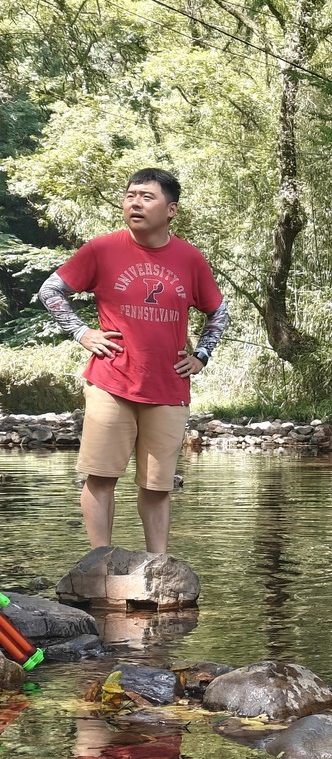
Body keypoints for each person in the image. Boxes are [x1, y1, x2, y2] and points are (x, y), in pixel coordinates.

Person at [38, 168, 228, 554]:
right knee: (101, 476)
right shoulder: (101, 249)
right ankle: (100, 564)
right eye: (130, 195)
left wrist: (202, 356)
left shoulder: (189, 258)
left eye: (146, 196)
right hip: (112, 381)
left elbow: (219, 312)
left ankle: (158, 566)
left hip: (168, 386)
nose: (135, 202)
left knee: (157, 486)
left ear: (171, 209)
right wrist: (82, 332)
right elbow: (51, 290)